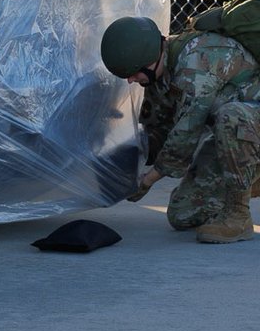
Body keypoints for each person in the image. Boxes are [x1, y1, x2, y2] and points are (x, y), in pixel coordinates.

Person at [99, 15, 260, 243]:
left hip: (245, 124)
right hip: (244, 135)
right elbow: (158, 129)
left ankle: (238, 216)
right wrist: (121, 167)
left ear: (151, 58)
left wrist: (147, 181)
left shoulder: (196, 61)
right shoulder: (161, 72)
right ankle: (251, 175)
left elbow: (186, 132)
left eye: (134, 73)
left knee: (231, 117)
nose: (131, 80)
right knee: (183, 214)